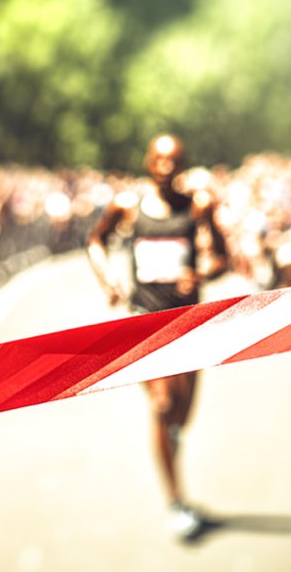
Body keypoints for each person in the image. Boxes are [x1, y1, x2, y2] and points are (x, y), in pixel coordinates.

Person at [86, 133, 228, 541]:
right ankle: (176, 500)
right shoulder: (127, 205)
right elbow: (95, 240)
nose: (166, 168)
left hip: (190, 323)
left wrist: (199, 274)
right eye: (160, 160)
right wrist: (108, 280)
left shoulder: (198, 206)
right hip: (145, 320)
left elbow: (223, 258)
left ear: (183, 165)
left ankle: (171, 439)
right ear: (148, 161)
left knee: (182, 415)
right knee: (163, 404)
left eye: (175, 162)